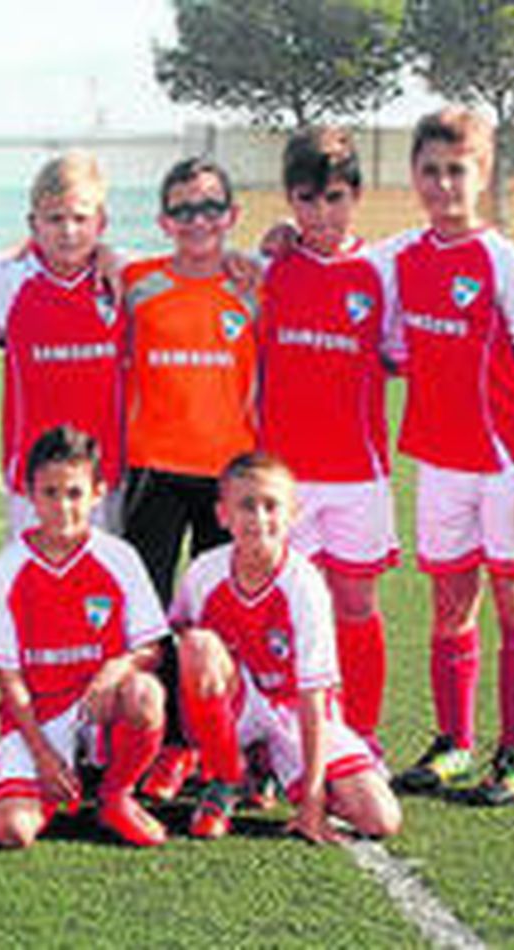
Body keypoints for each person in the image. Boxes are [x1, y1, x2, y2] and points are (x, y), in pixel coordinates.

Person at [385, 108, 514, 807]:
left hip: (507, 467)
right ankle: (454, 742)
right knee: (449, 604)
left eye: (456, 170)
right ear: (414, 176)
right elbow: (339, 261)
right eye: (429, 170)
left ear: (482, 174)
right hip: (441, 461)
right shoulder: (401, 255)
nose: (442, 184)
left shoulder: (507, 264)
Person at [118, 157, 259, 802]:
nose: (197, 220)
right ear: (163, 221)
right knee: (152, 614)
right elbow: (58, 244)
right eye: (183, 209)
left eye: (209, 208)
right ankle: (168, 741)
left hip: (227, 477)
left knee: (218, 618)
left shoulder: (255, 286)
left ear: (231, 216)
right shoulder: (137, 281)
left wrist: (277, 237)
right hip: (154, 471)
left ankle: (222, 743)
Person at [172, 453, 402, 842]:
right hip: (238, 705)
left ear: (293, 513)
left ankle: (268, 766)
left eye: (271, 506)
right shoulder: (204, 572)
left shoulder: (304, 584)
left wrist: (312, 801)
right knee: (196, 644)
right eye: (246, 506)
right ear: (223, 514)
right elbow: (176, 640)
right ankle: (225, 775)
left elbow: (313, 695)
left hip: (294, 711)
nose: (259, 518)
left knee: (380, 819)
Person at [257, 127, 399, 754]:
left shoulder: (382, 272)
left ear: (357, 195)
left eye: (335, 198)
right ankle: (282, 738)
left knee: (355, 602)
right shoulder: (269, 268)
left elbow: (404, 354)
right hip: (284, 479)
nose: (321, 214)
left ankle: (360, 732)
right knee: (289, 609)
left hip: (358, 474)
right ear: (289, 200)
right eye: (307, 200)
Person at [0, 426, 169, 848]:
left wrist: (116, 668)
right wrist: (43, 755)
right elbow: (8, 677)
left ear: (98, 492)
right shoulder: (9, 566)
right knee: (12, 832)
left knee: (144, 694)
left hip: (96, 707)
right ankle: (55, 779)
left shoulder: (119, 558)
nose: (63, 507)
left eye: (74, 493)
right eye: (50, 493)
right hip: (37, 718)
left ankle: (115, 795)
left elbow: (151, 648)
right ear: (29, 493)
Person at [0, 151, 126, 536]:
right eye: (54, 219)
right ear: (34, 225)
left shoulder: (128, 279)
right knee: (35, 589)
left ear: (102, 222)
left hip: (106, 480)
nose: (68, 231)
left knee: (105, 590)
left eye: (81, 218)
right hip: (33, 483)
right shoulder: (2, 283)